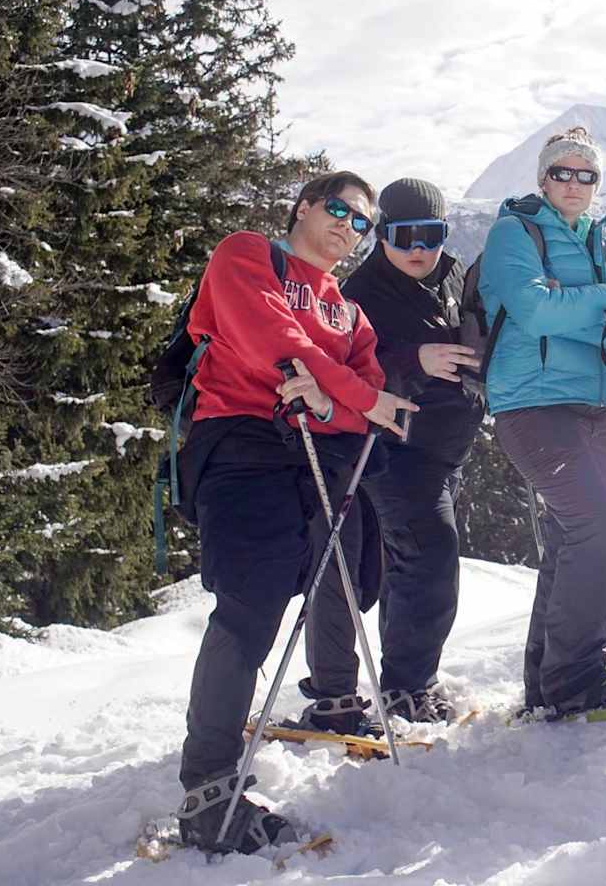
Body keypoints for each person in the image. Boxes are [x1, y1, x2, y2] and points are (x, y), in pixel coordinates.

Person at [174, 172, 417, 852]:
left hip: (316, 455)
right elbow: (268, 343)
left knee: (335, 585)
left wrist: (335, 395)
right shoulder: (248, 255)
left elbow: (370, 394)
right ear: (304, 208)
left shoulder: (348, 311)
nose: (348, 226)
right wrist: (350, 399)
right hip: (241, 445)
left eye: (361, 221)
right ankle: (208, 795)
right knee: (247, 606)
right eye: (337, 209)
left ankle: (226, 775)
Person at [478, 127, 606, 718]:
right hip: (530, 404)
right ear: (543, 179)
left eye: (587, 175)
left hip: (591, 405)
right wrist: (602, 304)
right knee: (594, 528)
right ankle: (577, 680)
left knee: (568, 539)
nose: (575, 184)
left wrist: (580, 306)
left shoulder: (601, 241)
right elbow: (531, 308)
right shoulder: (514, 233)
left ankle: (547, 684)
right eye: (563, 173)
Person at [342, 178, 482, 723]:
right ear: (381, 235)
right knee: (428, 555)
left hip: (446, 452)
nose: (420, 249)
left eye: (433, 234)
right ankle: (406, 687)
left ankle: (408, 679)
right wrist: (412, 361)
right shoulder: (361, 295)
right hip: (394, 453)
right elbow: (346, 370)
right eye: (404, 237)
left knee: (408, 563)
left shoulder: (448, 275)